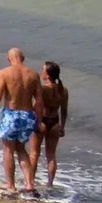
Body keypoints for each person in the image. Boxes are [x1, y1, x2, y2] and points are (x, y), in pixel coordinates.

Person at [0, 47, 41, 195]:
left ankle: (11, 185)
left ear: (8, 58)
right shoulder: (34, 75)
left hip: (12, 114)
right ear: (23, 58)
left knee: (8, 149)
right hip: (28, 114)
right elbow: (39, 101)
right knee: (21, 149)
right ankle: (29, 184)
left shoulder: (4, 73)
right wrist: (38, 120)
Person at [32, 61, 70, 190]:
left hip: (42, 121)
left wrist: (35, 121)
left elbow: (36, 107)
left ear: (47, 75)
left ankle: (30, 182)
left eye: (43, 70)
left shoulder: (43, 89)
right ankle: (50, 184)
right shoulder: (63, 90)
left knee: (34, 153)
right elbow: (64, 111)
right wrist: (62, 127)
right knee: (51, 155)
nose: (41, 71)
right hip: (55, 123)